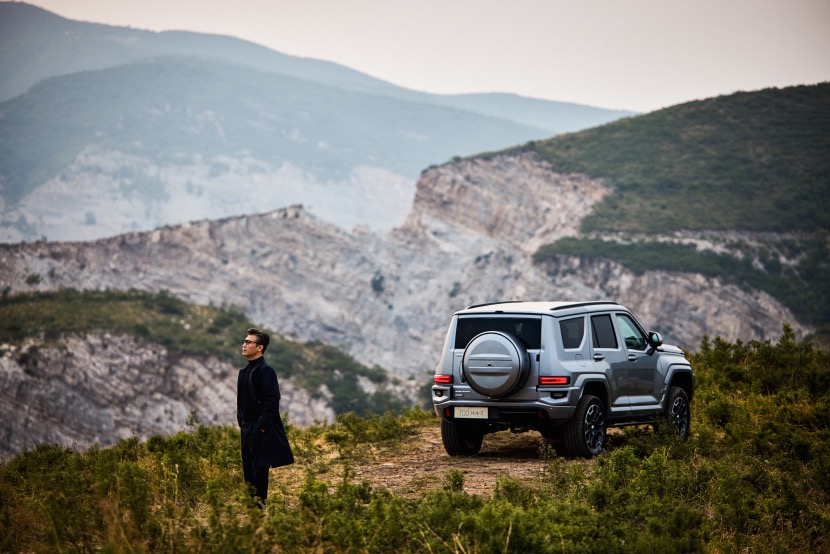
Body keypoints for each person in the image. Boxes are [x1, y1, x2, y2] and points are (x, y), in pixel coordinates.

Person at [237, 327, 294, 505]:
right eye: (244, 341)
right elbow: (241, 401)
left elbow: (272, 402)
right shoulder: (244, 372)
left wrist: (260, 426)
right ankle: (252, 508)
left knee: (259, 469)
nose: (244, 345)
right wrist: (241, 421)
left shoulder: (266, 371)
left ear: (260, 347)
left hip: (259, 428)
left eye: (248, 342)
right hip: (246, 427)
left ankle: (259, 508)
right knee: (248, 468)